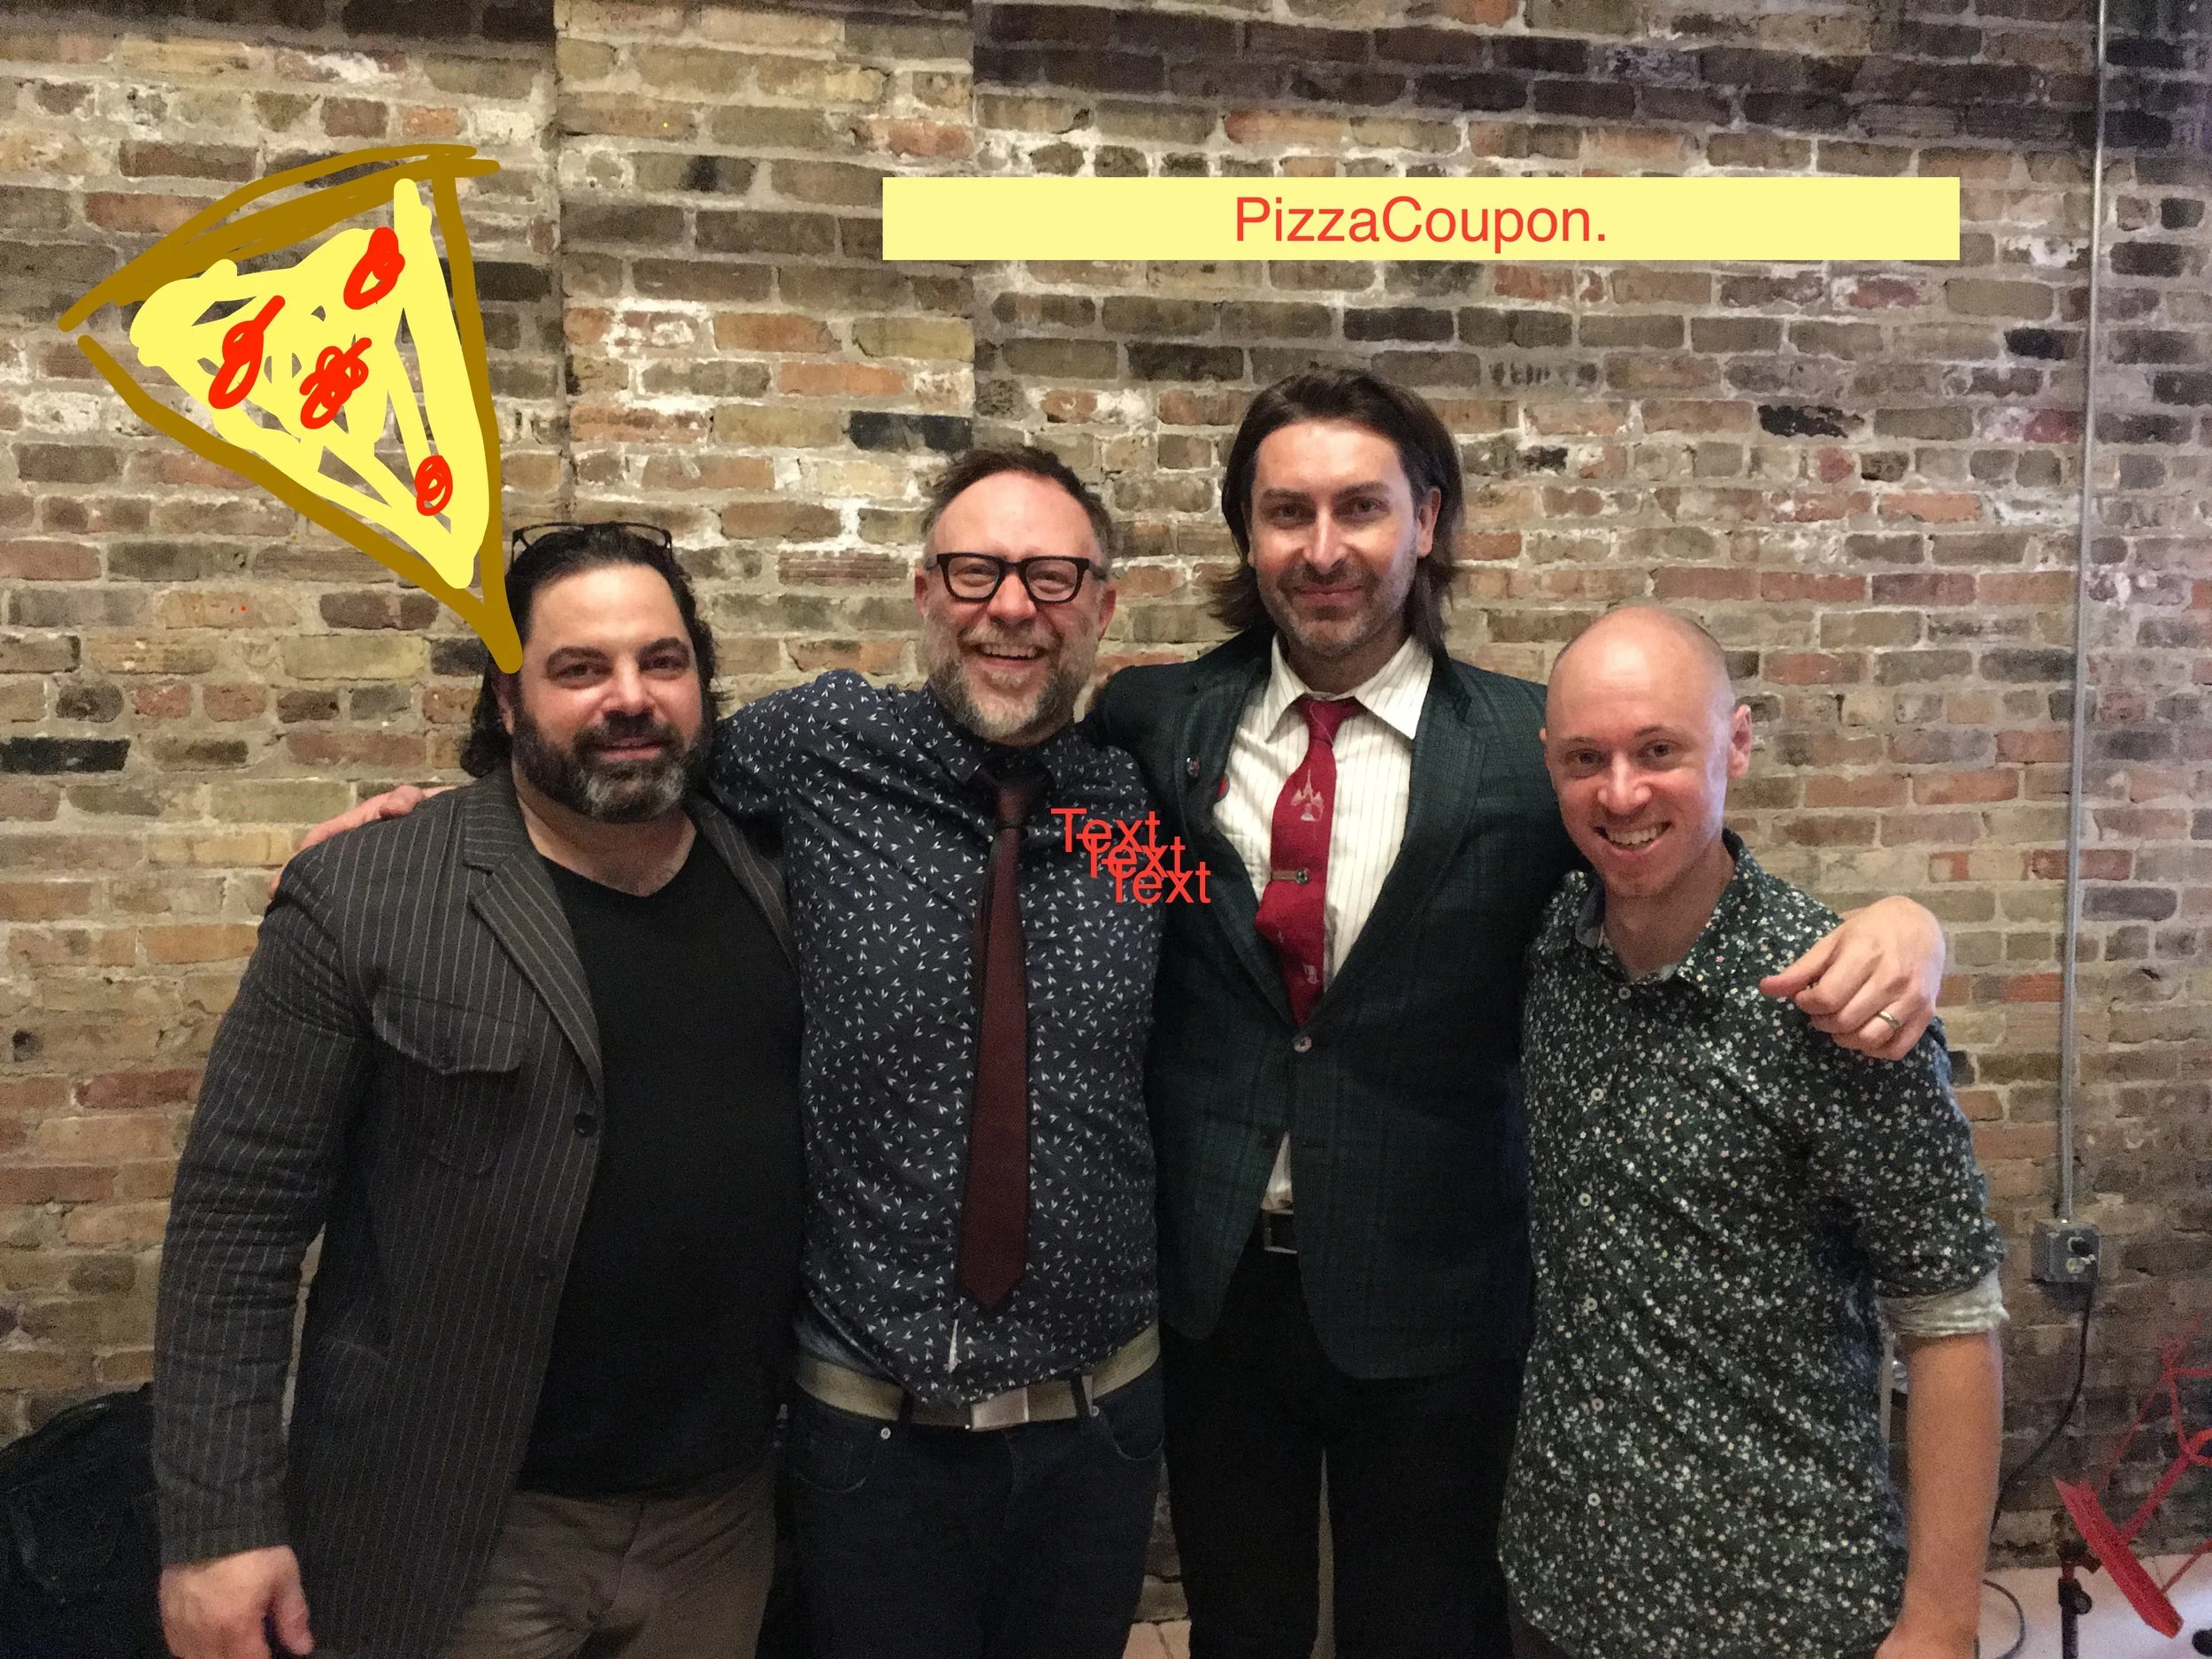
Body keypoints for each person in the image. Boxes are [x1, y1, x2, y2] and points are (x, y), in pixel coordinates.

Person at [1086, 367, 1952, 1659]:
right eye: (1286, 512)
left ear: (1425, 520)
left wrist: (1906, 923)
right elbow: (1133, 898)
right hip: (1215, 1290)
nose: (1323, 548)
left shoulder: (1524, 746)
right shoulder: (1153, 723)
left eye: (1360, 507)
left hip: (1441, 1294)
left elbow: (1667, 865)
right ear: (1245, 533)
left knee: (1426, 1631)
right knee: (1240, 1626)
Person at [288, 449, 1165, 1659]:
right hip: (871, 1429)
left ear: (1102, 605)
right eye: (974, 570)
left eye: (1051, 575)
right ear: (925, 592)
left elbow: (1216, 970)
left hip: (1100, 1421)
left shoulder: (1138, 816)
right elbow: (611, 766)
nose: (1010, 605)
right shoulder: (818, 750)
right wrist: (421, 837)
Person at [156, 523, 803, 1659]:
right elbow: (234, 1226)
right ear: (507, 700)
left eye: (661, 661)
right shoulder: (367, 893)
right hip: (457, 1525)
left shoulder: (777, 871)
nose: (630, 698)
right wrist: (219, 1529)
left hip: (719, 1519)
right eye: (578, 668)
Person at [1502, 605, 2005, 1659]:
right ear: (1549, 763)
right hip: (1563, 1579)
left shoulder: (1836, 1001)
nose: (1621, 794)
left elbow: (1951, 1318)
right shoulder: (1553, 945)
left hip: (1781, 1600)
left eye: (1659, 751)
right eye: (1587, 759)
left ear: (1734, 744)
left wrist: (1940, 1623)